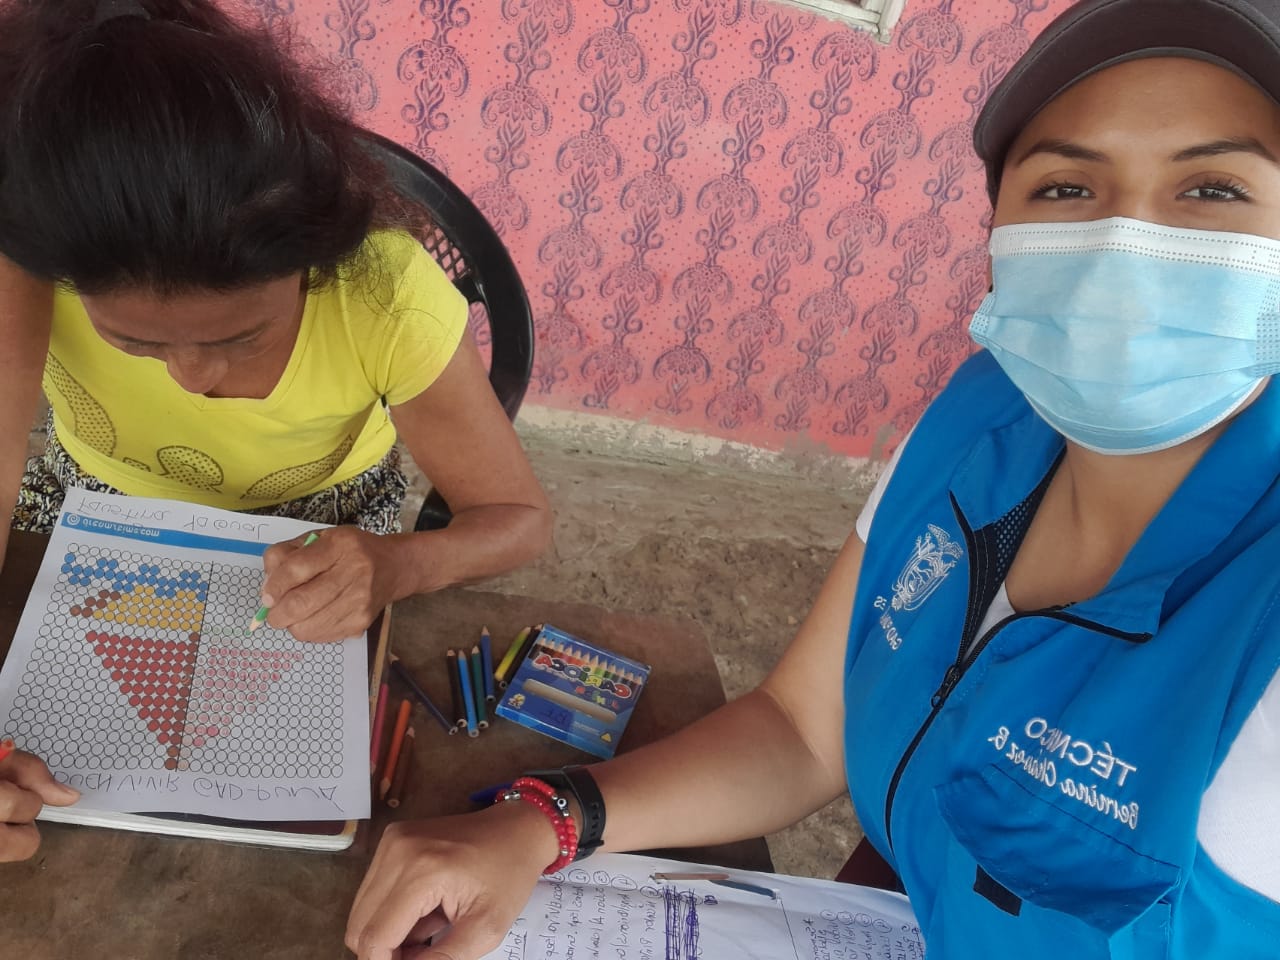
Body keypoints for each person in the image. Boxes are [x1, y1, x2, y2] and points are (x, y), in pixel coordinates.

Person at [344, 1, 1280, 957]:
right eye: (1065, 186)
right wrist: (542, 820)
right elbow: (802, 728)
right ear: (1000, 233)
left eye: (1213, 188)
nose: (1125, 243)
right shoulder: (979, 418)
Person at [0, 0, 551, 860]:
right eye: (136, 343)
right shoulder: (24, 265)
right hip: (92, 503)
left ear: (313, 260)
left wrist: (396, 564)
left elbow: (518, 519)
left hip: (326, 524)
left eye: (239, 338)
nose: (193, 378)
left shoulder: (383, 296)